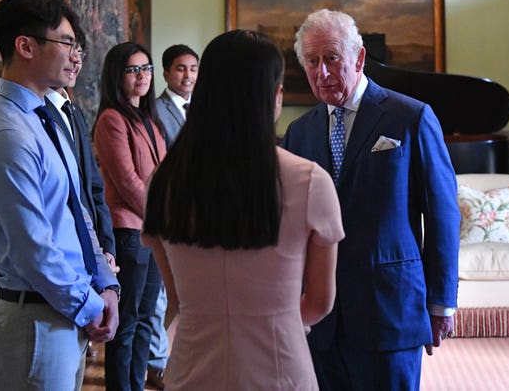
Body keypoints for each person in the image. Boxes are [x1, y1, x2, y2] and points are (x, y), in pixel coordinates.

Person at [142, 29, 343, 390]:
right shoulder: (310, 181)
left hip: (191, 368)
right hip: (278, 368)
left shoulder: (165, 179)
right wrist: (278, 320)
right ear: (275, 96)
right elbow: (319, 301)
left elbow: (175, 297)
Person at [280, 9, 460, 391]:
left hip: (389, 311)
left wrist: (441, 302)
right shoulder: (299, 132)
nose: (322, 73)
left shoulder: (411, 117)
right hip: (319, 318)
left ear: (359, 58)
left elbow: (444, 215)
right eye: (312, 62)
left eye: (331, 59)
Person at [0, 0, 120, 391]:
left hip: (64, 311)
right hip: (34, 323)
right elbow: (33, 247)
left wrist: (106, 285)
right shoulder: (8, 134)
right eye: (66, 43)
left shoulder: (42, 119)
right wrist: (90, 306)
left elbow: (77, 210)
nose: (75, 55)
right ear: (25, 46)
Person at [92, 42, 167, 391]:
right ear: (116, 76)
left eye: (146, 68)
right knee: (127, 324)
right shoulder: (111, 119)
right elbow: (127, 182)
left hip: (152, 232)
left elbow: (161, 175)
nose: (142, 76)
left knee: (147, 320)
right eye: (133, 69)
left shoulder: (148, 118)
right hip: (129, 231)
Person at [44, 28, 118, 275]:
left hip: (95, 250)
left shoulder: (73, 112)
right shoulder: (37, 115)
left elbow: (95, 187)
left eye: (79, 52)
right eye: (68, 49)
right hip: (68, 256)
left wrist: (107, 247)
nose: (76, 60)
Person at [146, 43, 199, 389]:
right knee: (161, 293)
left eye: (193, 69)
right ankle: (157, 361)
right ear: (166, 73)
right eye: (181, 68)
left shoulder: (203, 109)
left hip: (197, 212)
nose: (188, 76)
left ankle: (178, 354)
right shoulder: (157, 111)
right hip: (168, 208)